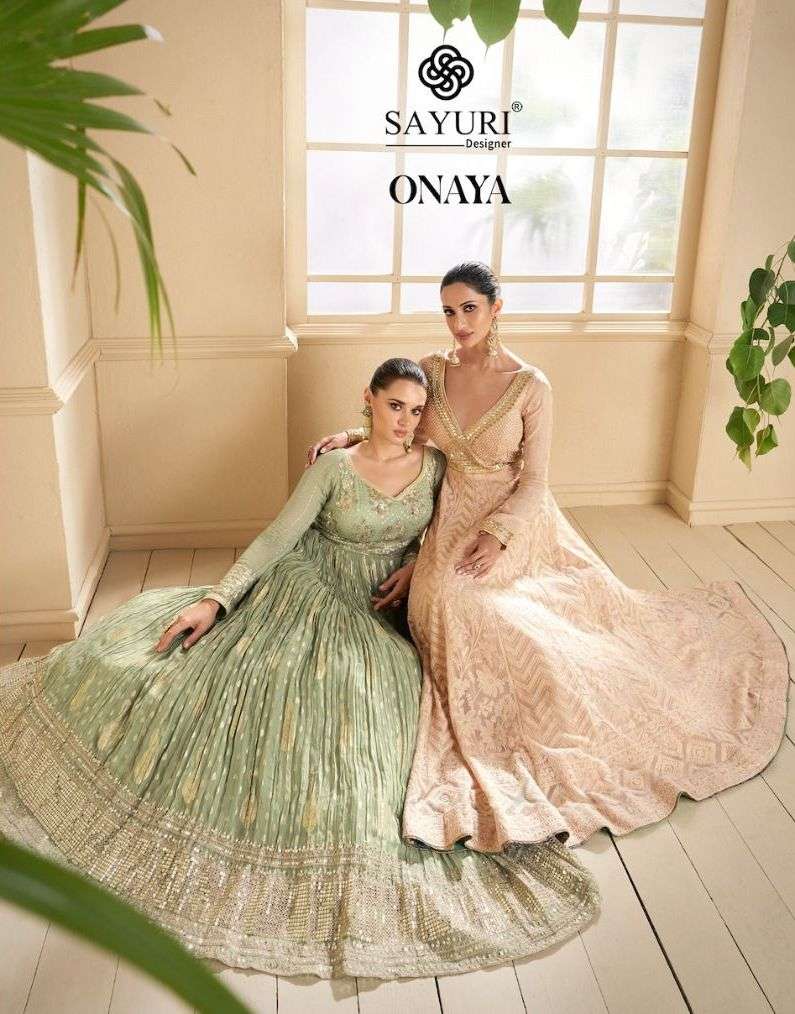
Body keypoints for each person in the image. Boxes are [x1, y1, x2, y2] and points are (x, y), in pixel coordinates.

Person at [0, 357, 600, 980]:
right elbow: (276, 537)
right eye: (394, 406)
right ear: (369, 399)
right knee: (265, 689)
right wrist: (217, 599)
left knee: (381, 706)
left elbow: (445, 530)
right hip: (309, 587)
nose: (406, 421)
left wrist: (418, 566)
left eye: (417, 411)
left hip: (377, 606)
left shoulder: (436, 466)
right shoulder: (335, 468)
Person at [307, 263, 791, 855]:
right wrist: (349, 437)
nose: (459, 323)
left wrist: (500, 535)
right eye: (449, 311)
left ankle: (547, 718)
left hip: (514, 522)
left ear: (496, 309)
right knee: (442, 602)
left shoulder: (531, 386)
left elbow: (534, 482)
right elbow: (400, 426)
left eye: (470, 309)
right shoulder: (431, 371)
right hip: (449, 515)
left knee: (508, 616)